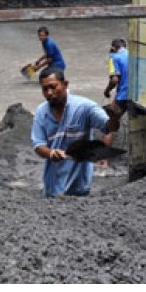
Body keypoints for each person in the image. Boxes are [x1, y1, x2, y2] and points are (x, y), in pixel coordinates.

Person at [31, 67, 122, 198]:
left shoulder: (84, 107)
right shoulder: (41, 112)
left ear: (65, 84)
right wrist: (51, 153)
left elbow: (109, 127)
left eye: (53, 87)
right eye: (45, 89)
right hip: (52, 187)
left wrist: (114, 117)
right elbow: (38, 145)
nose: (49, 93)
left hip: (79, 188)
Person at [101, 38, 130, 154]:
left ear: (113, 47)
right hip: (139, 96)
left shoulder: (114, 57)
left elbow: (114, 79)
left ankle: (102, 158)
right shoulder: (133, 54)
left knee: (110, 124)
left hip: (123, 96)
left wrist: (107, 91)